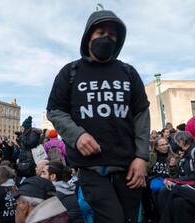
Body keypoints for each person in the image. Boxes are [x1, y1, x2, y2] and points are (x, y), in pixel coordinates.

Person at [46, 8, 150, 222]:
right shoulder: (70, 72)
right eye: (100, 32)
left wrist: (141, 157)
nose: (106, 38)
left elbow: (141, 115)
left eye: (112, 35)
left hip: (129, 168)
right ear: (88, 37)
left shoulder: (128, 72)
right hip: (91, 169)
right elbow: (55, 110)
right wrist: (77, 135)